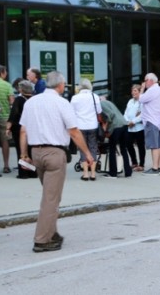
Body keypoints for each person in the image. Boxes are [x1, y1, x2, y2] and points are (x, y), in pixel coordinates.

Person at [18, 71, 95, 253]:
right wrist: (87, 153)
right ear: (60, 85)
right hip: (55, 153)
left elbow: (23, 131)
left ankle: (52, 232)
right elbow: (74, 131)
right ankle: (42, 239)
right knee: (50, 198)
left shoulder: (31, 102)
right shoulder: (62, 103)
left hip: (36, 152)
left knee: (51, 195)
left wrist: (23, 154)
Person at [70, 79, 102, 181]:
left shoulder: (75, 98)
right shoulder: (95, 96)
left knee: (83, 148)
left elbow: (71, 112)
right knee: (93, 147)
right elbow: (99, 111)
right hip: (93, 125)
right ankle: (93, 173)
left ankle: (85, 174)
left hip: (80, 126)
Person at [139, 73, 160, 175]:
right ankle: (159, 166)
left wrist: (142, 89)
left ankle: (154, 168)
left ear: (150, 80)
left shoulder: (152, 90)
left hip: (151, 120)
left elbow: (141, 99)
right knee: (159, 145)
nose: (144, 83)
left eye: (145, 80)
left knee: (153, 145)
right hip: (159, 121)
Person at [9, 80, 36, 179]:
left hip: (19, 127)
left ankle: (23, 172)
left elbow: (14, 113)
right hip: (32, 126)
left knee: (21, 150)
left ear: (21, 89)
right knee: (31, 149)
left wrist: (8, 127)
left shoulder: (19, 99)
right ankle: (33, 172)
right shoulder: (34, 99)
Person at [99, 95, 131, 178]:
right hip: (124, 124)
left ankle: (113, 173)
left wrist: (107, 131)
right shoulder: (109, 102)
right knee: (123, 149)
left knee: (112, 148)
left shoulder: (101, 104)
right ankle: (128, 172)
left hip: (116, 126)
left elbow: (110, 116)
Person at [124, 85, 146, 172]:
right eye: (132, 91)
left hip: (139, 127)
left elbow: (142, 114)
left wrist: (133, 121)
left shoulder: (142, 102)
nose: (133, 92)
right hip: (130, 127)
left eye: (135, 91)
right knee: (128, 144)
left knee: (140, 146)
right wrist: (127, 121)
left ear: (140, 91)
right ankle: (134, 162)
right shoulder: (130, 101)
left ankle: (141, 164)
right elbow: (125, 113)